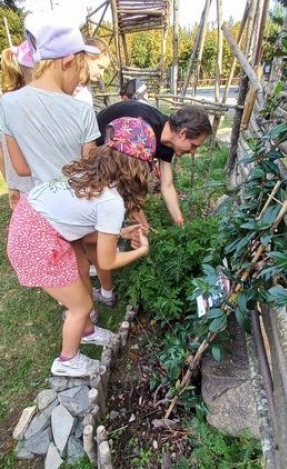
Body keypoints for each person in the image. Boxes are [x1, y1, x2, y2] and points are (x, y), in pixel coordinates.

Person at [7, 117, 152, 378]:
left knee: (80, 273)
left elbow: (80, 220)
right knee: (81, 306)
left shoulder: (89, 174)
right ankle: (67, 361)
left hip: (31, 223)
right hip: (38, 241)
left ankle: (88, 332)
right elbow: (107, 262)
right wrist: (140, 251)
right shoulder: (112, 201)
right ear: (136, 167)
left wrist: (119, 232)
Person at [0, 12, 113, 317]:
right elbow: (89, 171)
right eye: (79, 64)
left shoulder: (7, 104)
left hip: (41, 207)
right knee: (80, 255)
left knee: (67, 264)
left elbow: (21, 169)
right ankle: (87, 312)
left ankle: (83, 317)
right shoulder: (81, 110)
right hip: (78, 204)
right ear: (66, 60)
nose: (80, 75)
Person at [96, 101, 212, 226]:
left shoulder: (168, 142)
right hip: (93, 150)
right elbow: (127, 182)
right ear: (182, 133)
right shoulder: (142, 128)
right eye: (194, 145)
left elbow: (167, 185)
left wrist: (180, 223)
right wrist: (143, 225)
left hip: (109, 161)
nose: (193, 152)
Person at [0, 40, 34, 209]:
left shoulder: (6, 101)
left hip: (22, 186)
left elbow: (2, 150)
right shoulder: (28, 103)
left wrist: (11, 183)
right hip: (39, 185)